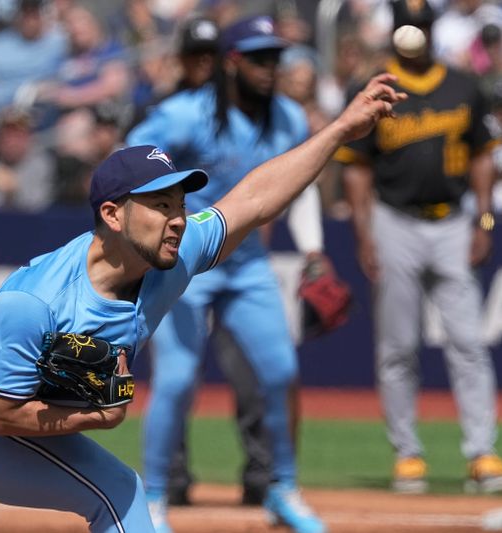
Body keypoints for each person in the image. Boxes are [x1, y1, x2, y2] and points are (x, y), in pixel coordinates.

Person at [0, 68, 403, 532]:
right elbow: (1, 414)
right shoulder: (36, 299)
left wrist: (337, 130)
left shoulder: (173, 253)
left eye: (179, 202)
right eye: (159, 205)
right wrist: (94, 418)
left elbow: (255, 198)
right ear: (112, 215)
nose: (177, 217)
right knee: (119, 493)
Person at [127, 16, 327, 533]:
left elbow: (300, 184)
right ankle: (152, 500)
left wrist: (312, 250)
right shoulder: (187, 113)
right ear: (232, 63)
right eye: (259, 59)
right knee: (174, 381)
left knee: (280, 373)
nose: (271, 69)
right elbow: (126, 160)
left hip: (246, 266)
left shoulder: (286, 117)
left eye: (276, 59)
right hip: (187, 265)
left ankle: (282, 490)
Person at [337, 0, 502, 495]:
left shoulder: (462, 85)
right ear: (395, 30)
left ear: (433, 30)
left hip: (454, 220)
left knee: (468, 343)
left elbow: (483, 156)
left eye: (421, 25)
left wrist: (483, 218)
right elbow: (356, 166)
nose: (414, 32)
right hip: (395, 220)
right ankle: (408, 455)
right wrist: (364, 231)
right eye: (407, 25)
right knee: (398, 346)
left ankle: (482, 452)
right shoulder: (374, 87)